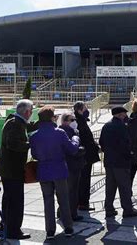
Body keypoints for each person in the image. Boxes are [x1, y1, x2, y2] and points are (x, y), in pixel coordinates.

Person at [30, 106, 81, 239]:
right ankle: (68, 227)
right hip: (59, 169)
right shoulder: (59, 133)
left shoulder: (34, 135)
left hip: (43, 170)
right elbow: (72, 149)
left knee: (48, 201)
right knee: (63, 199)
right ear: (52, 118)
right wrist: (76, 138)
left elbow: (35, 154)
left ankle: (50, 230)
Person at [0, 99, 37, 239]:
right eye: (31, 111)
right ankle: (13, 230)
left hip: (9, 168)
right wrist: (30, 144)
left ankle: (6, 226)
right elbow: (13, 144)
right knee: (15, 201)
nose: (32, 114)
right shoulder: (15, 124)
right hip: (12, 169)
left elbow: (29, 126)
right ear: (27, 112)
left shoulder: (17, 121)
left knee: (9, 199)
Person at [99, 106, 137, 218]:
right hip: (121, 162)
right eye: (124, 114)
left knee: (110, 187)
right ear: (120, 114)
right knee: (124, 186)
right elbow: (126, 144)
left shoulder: (106, 126)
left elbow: (101, 142)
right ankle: (127, 209)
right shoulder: (122, 127)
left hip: (109, 161)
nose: (125, 116)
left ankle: (109, 209)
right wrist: (129, 155)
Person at [58, 112, 85, 222]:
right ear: (65, 121)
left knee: (65, 191)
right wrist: (82, 150)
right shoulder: (67, 132)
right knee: (72, 191)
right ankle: (71, 214)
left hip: (68, 165)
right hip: (71, 165)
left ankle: (62, 212)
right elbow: (71, 150)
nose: (74, 122)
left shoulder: (68, 131)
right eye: (71, 120)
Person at [74, 101, 100, 211]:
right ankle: (83, 203)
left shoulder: (81, 121)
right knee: (84, 180)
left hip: (85, 156)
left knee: (83, 180)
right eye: (85, 108)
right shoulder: (78, 122)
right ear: (79, 110)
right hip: (84, 157)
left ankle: (82, 202)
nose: (87, 111)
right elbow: (85, 140)